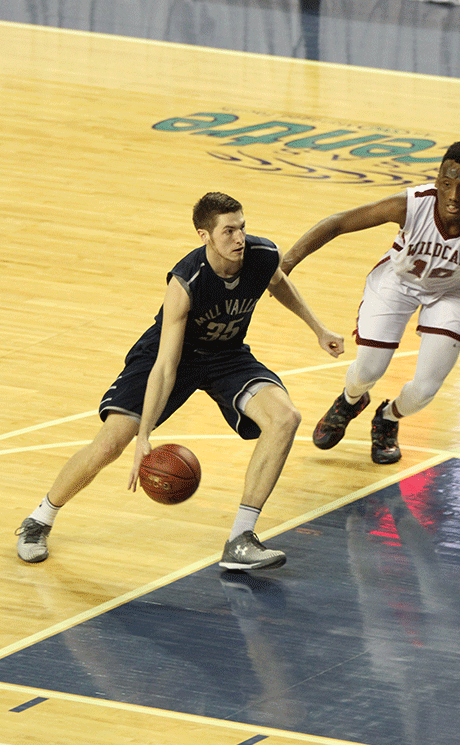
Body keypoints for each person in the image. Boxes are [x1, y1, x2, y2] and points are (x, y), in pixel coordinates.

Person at [16, 192, 344, 569]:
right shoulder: (186, 282)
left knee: (285, 418)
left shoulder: (261, 254)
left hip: (226, 355)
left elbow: (278, 282)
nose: (239, 239)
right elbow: (166, 367)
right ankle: (39, 520)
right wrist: (143, 436)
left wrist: (317, 328)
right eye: (228, 231)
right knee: (111, 443)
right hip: (172, 356)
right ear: (204, 235)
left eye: (242, 228)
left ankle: (241, 538)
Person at [281, 141, 460, 464]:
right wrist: (285, 265)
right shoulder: (412, 203)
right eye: (446, 185)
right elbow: (337, 222)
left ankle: (387, 418)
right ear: (437, 182)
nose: (454, 196)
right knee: (368, 369)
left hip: (457, 295)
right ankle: (350, 401)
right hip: (398, 281)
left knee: (425, 390)